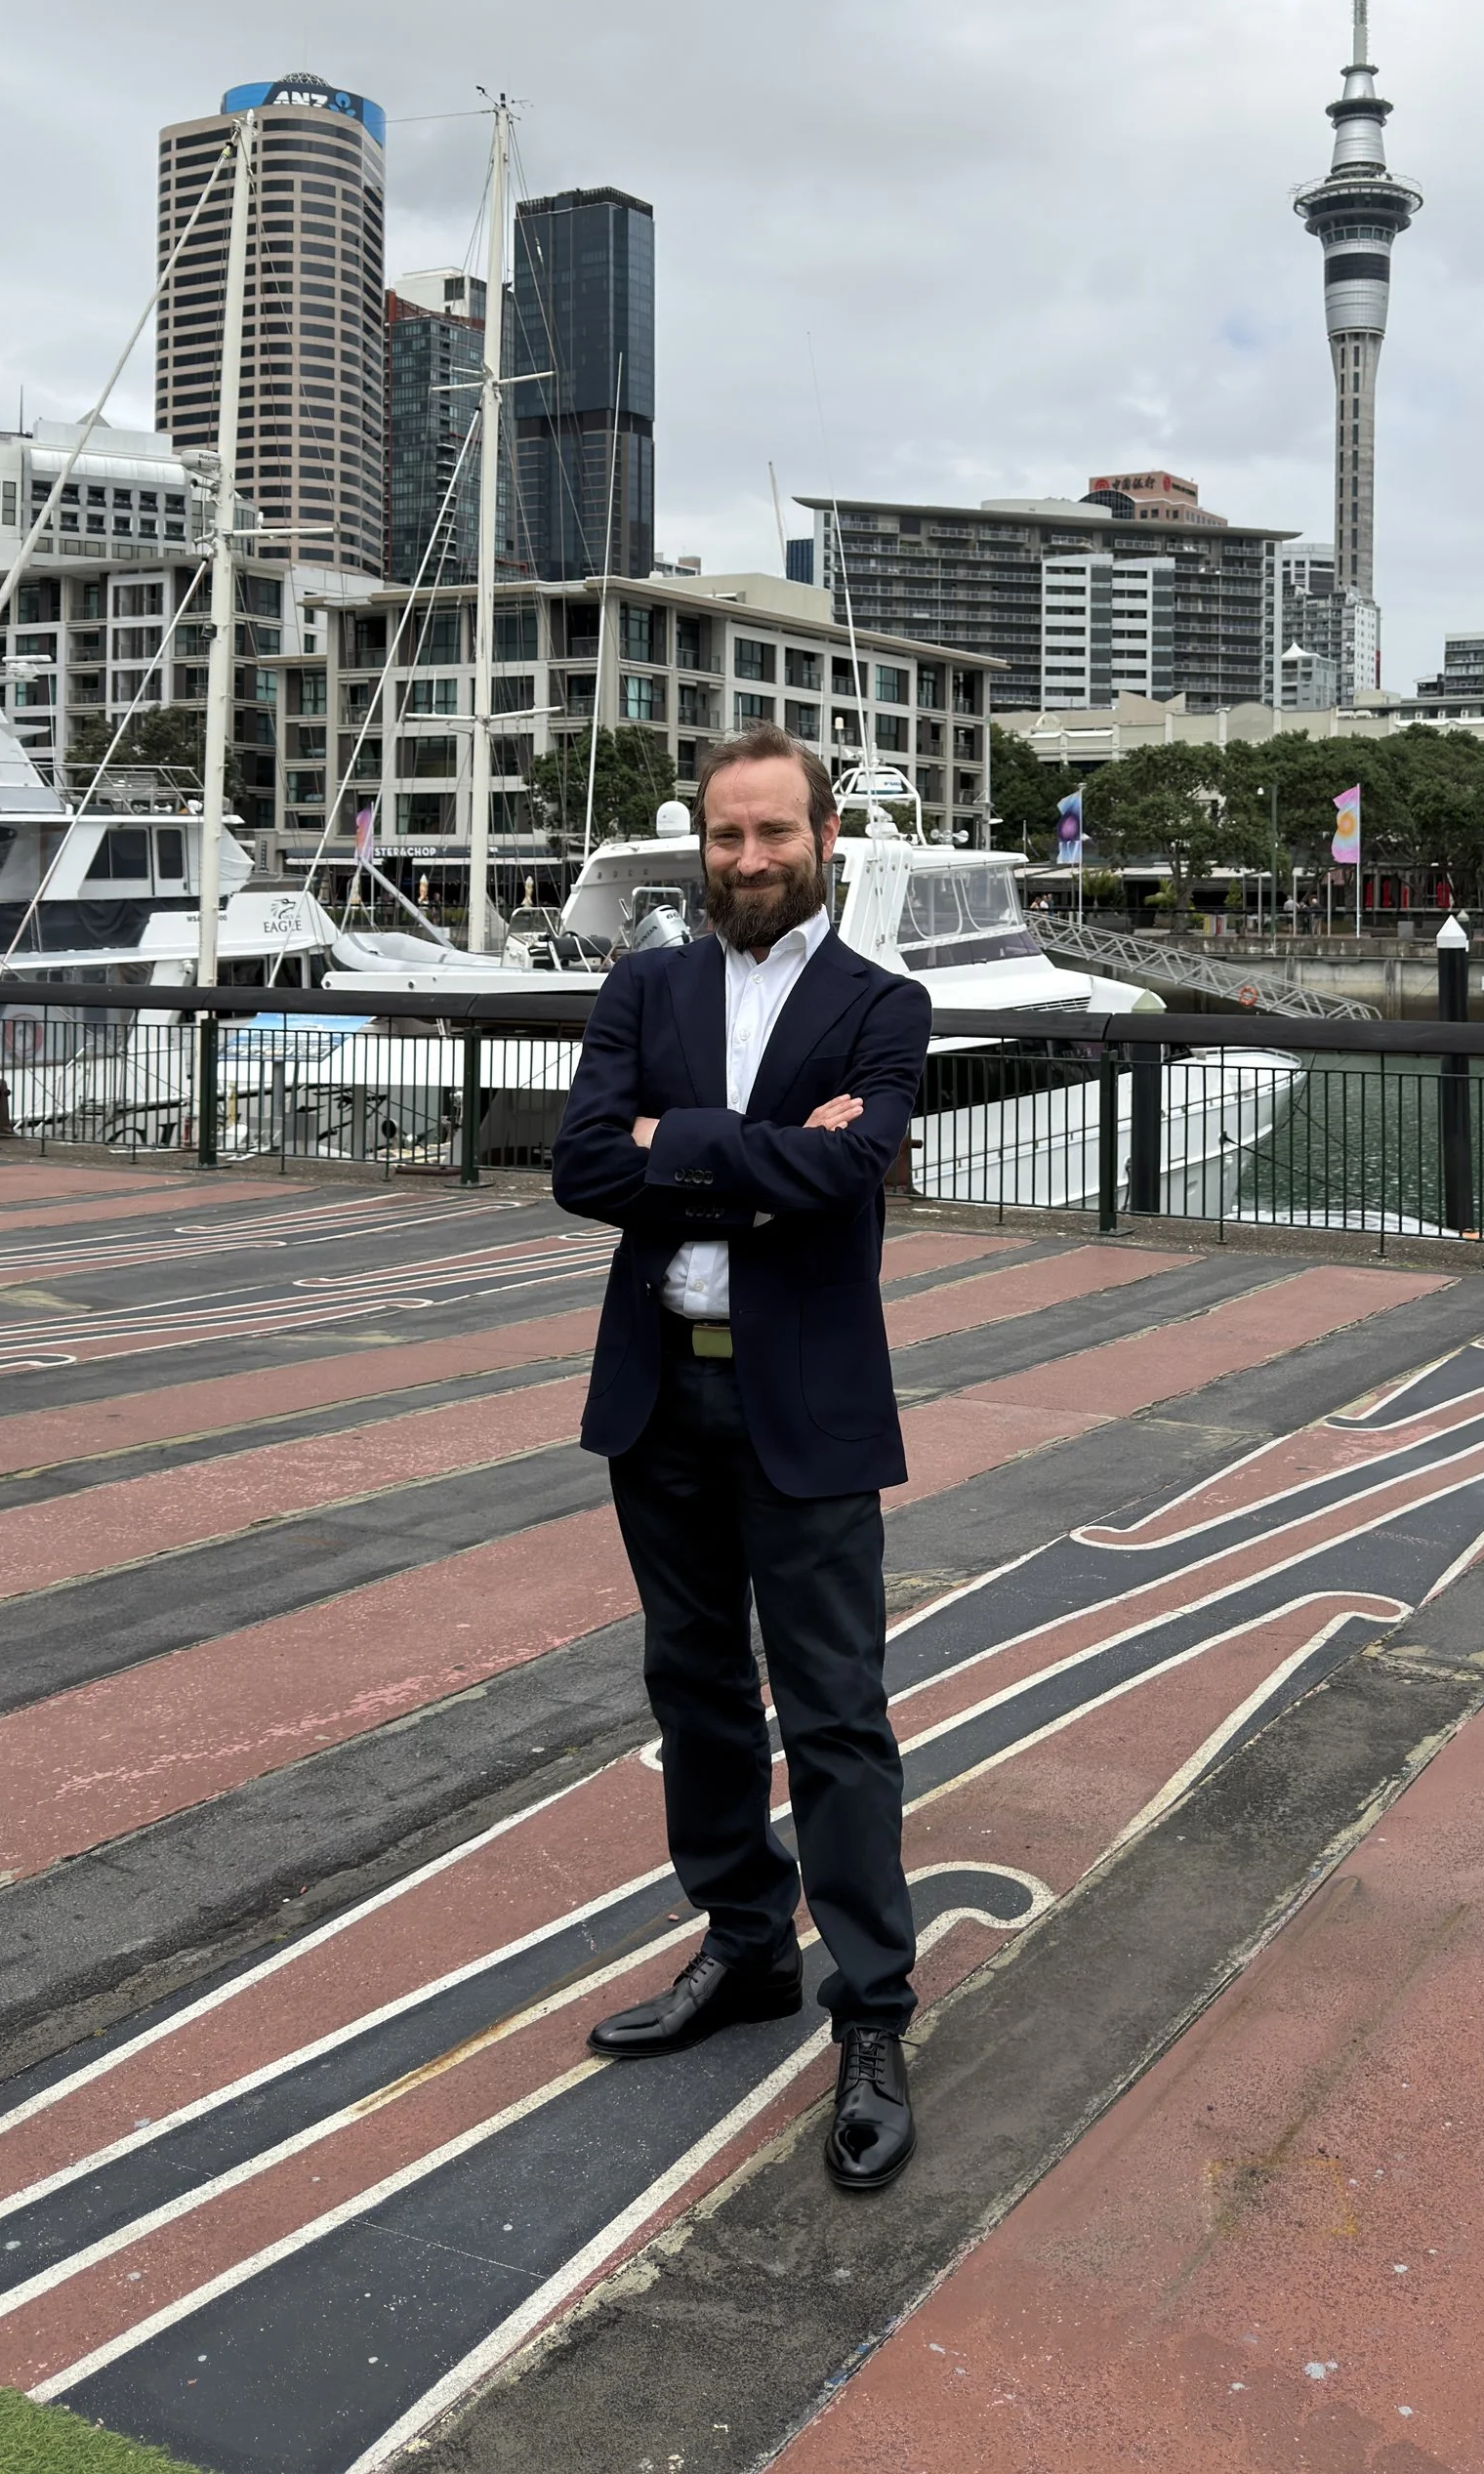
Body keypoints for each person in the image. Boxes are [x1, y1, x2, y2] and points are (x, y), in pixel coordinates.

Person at [550, 724, 932, 2193]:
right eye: (727, 838)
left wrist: (679, 1144)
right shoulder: (645, 983)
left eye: (775, 835)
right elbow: (586, 1166)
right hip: (662, 1401)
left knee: (835, 1715)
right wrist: (752, 1148)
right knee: (696, 1690)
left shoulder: (880, 1004)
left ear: (825, 838)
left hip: (809, 1411)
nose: (751, 860)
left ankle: (875, 2014)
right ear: (701, 845)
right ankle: (745, 1944)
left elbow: (848, 1178)